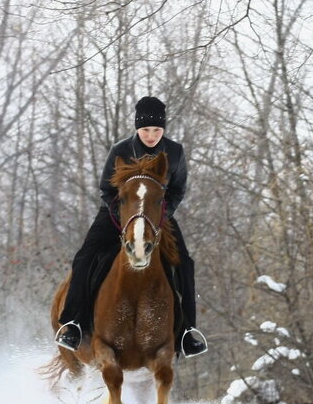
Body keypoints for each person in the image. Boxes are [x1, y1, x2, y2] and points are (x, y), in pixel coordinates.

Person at [54, 96, 208, 357]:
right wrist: (126, 218)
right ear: (137, 128)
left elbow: (178, 189)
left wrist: (160, 214)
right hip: (117, 213)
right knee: (85, 257)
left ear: (164, 129)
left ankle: (186, 332)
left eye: (156, 130)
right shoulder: (120, 150)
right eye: (146, 130)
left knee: (185, 262)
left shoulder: (175, 152)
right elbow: (106, 189)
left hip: (157, 215)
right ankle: (74, 323)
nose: (151, 136)